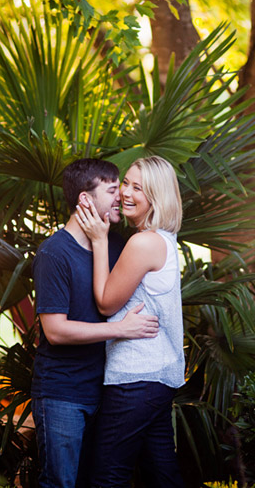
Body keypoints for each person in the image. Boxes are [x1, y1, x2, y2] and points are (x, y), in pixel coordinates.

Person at [31, 158, 161, 488]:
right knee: (61, 483)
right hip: (63, 393)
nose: (121, 197)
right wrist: (121, 329)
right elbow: (55, 331)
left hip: (109, 390)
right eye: (112, 190)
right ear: (85, 200)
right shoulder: (54, 253)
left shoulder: (118, 245)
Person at [76, 155, 185, 488]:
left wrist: (98, 240)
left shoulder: (144, 242)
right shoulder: (164, 240)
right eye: (125, 182)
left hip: (135, 379)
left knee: (107, 477)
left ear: (156, 197)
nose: (125, 192)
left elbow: (107, 302)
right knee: (162, 476)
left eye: (138, 187)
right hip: (156, 379)